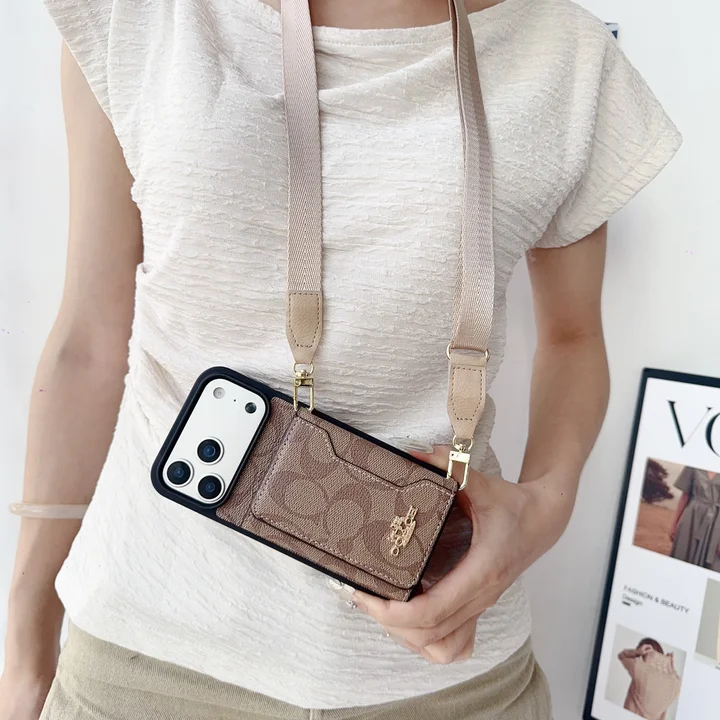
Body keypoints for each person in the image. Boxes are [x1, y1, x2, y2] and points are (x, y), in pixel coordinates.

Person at [1, 0, 682, 718]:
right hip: (143, 662)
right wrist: (24, 651)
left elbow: (573, 338)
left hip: (447, 676)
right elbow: (89, 344)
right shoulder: (143, 13)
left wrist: (544, 508)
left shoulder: (566, 56)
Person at [670, 467, 720, 572]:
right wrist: (674, 525)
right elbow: (685, 496)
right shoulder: (692, 466)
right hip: (691, 519)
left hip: (715, 525)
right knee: (682, 555)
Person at [618, 639, 681, 720]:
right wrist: (670, 666)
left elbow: (622, 656)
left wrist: (636, 652)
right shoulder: (674, 684)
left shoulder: (640, 669)